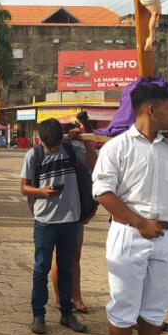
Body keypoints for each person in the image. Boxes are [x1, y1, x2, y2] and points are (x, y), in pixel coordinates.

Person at [91, 83, 168, 335]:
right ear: (152, 109)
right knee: (124, 307)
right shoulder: (117, 147)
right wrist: (140, 223)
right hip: (130, 234)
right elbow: (103, 192)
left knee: (155, 310)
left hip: (167, 236)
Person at [21, 119, 94, 335]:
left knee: (66, 268)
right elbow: (24, 188)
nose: (53, 149)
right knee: (41, 268)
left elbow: (92, 163)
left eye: (56, 145)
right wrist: (42, 192)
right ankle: (38, 315)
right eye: (49, 146)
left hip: (71, 220)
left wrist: (85, 139)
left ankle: (66, 313)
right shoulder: (34, 155)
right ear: (40, 140)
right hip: (45, 221)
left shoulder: (71, 149)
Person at [50, 123, 97, 317]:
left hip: (77, 207)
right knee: (59, 256)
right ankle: (61, 298)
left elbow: (93, 164)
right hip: (56, 209)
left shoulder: (79, 148)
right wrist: (66, 142)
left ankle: (76, 298)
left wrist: (86, 142)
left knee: (75, 255)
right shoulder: (52, 148)